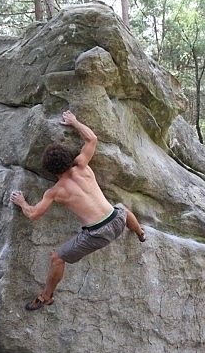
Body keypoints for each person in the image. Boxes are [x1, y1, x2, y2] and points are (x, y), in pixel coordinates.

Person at [10, 110, 146, 311]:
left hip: (98, 235)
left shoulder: (55, 191)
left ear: (51, 171)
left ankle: (46, 296)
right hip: (119, 220)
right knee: (123, 209)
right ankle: (140, 233)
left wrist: (21, 202)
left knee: (58, 258)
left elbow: (33, 214)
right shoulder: (82, 166)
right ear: (68, 158)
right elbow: (92, 138)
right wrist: (74, 121)